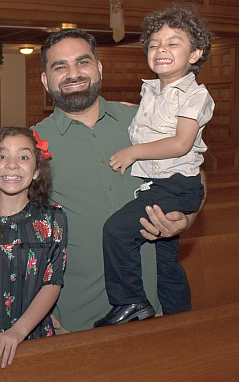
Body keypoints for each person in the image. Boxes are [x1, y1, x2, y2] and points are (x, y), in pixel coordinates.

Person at [33, 28, 205, 332]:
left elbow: (195, 173)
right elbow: (16, 232)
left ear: (99, 69)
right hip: (78, 316)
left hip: (159, 306)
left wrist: (186, 219)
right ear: (46, 80)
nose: (73, 73)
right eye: (60, 66)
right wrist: (35, 307)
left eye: (83, 62)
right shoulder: (30, 144)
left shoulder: (144, 119)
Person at [96, 5, 214, 327]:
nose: (161, 49)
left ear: (195, 54)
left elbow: (180, 143)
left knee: (116, 231)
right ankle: (179, 321)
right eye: (153, 44)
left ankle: (130, 300)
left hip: (176, 185)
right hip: (162, 185)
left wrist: (133, 152)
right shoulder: (152, 90)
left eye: (173, 42)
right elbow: (152, 117)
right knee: (166, 260)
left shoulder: (196, 95)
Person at [0, 127, 67, 368]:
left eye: (24, 157)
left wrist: (18, 332)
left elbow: (53, 282)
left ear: (37, 171)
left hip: (31, 337)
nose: (12, 164)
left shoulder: (52, 219)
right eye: (2, 156)